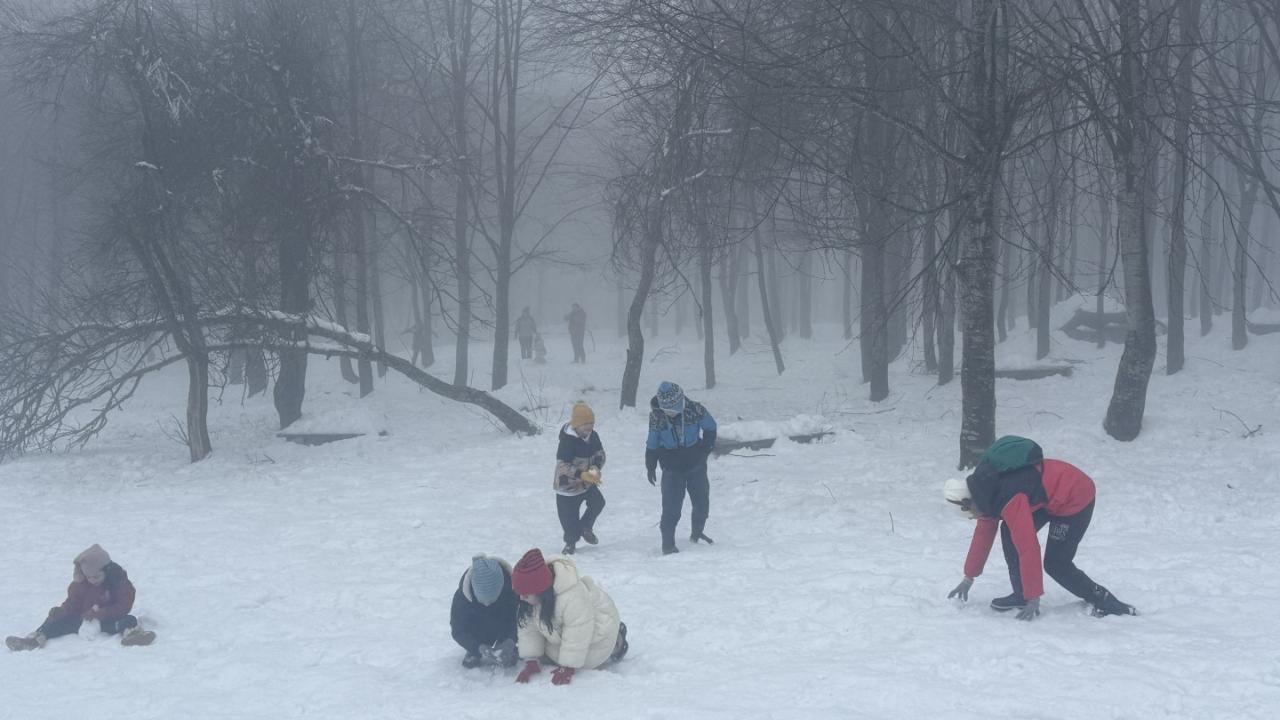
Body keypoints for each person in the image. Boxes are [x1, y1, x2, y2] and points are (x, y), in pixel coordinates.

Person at [944, 436, 1138, 621]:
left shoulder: (1009, 498)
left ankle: (1106, 602)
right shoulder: (983, 493)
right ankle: (1020, 595)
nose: (972, 518)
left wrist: (1034, 595)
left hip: (1075, 495)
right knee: (1009, 532)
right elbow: (982, 536)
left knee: (1057, 564)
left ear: (968, 503)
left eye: (969, 514)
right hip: (1046, 499)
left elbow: (1027, 546)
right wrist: (968, 577)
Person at [511, 549, 627, 686]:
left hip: (596, 630)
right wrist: (531, 659)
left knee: (597, 651)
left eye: (526, 595)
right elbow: (529, 630)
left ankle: (617, 641)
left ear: (540, 591)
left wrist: (568, 666)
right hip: (561, 634)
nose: (521, 598)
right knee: (551, 654)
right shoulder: (532, 602)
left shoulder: (572, 597)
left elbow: (578, 631)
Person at [6, 544, 155, 651]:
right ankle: (34, 639)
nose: (92, 580)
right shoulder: (80, 585)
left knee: (128, 619)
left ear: (107, 570)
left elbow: (123, 606)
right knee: (55, 620)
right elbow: (72, 604)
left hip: (107, 621)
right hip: (81, 620)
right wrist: (61, 612)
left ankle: (132, 635)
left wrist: (99, 614)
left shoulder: (119, 582)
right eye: (88, 577)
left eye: (96, 576)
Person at [645, 381, 717, 555]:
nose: (670, 412)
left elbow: (711, 427)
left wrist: (705, 450)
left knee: (701, 504)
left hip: (696, 465)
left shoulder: (695, 410)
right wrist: (650, 465)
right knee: (671, 509)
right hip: (671, 468)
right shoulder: (657, 416)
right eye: (667, 409)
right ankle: (668, 545)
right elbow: (652, 441)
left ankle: (697, 533)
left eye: (673, 408)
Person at [554, 402, 607, 556]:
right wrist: (580, 474)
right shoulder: (567, 441)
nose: (589, 427)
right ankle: (570, 543)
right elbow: (562, 465)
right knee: (569, 518)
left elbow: (600, 453)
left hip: (587, 483)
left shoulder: (593, 436)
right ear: (576, 425)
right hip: (568, 486)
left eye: (591, 423)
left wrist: (596, 468)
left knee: (598, 503)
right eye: (585, 424)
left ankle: (585, 527)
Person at [450, 554, 519, 668]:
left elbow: (517, 616)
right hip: (478, 630)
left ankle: (505, 645)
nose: (487, 604)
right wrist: (477, 647)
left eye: (492, 599)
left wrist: (510, 639)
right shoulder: (462, 597)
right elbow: (458, 630)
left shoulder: (511, 590)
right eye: (482, 600)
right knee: (473, 620)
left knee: (511, 615)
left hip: (502, 622)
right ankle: (474, 650)